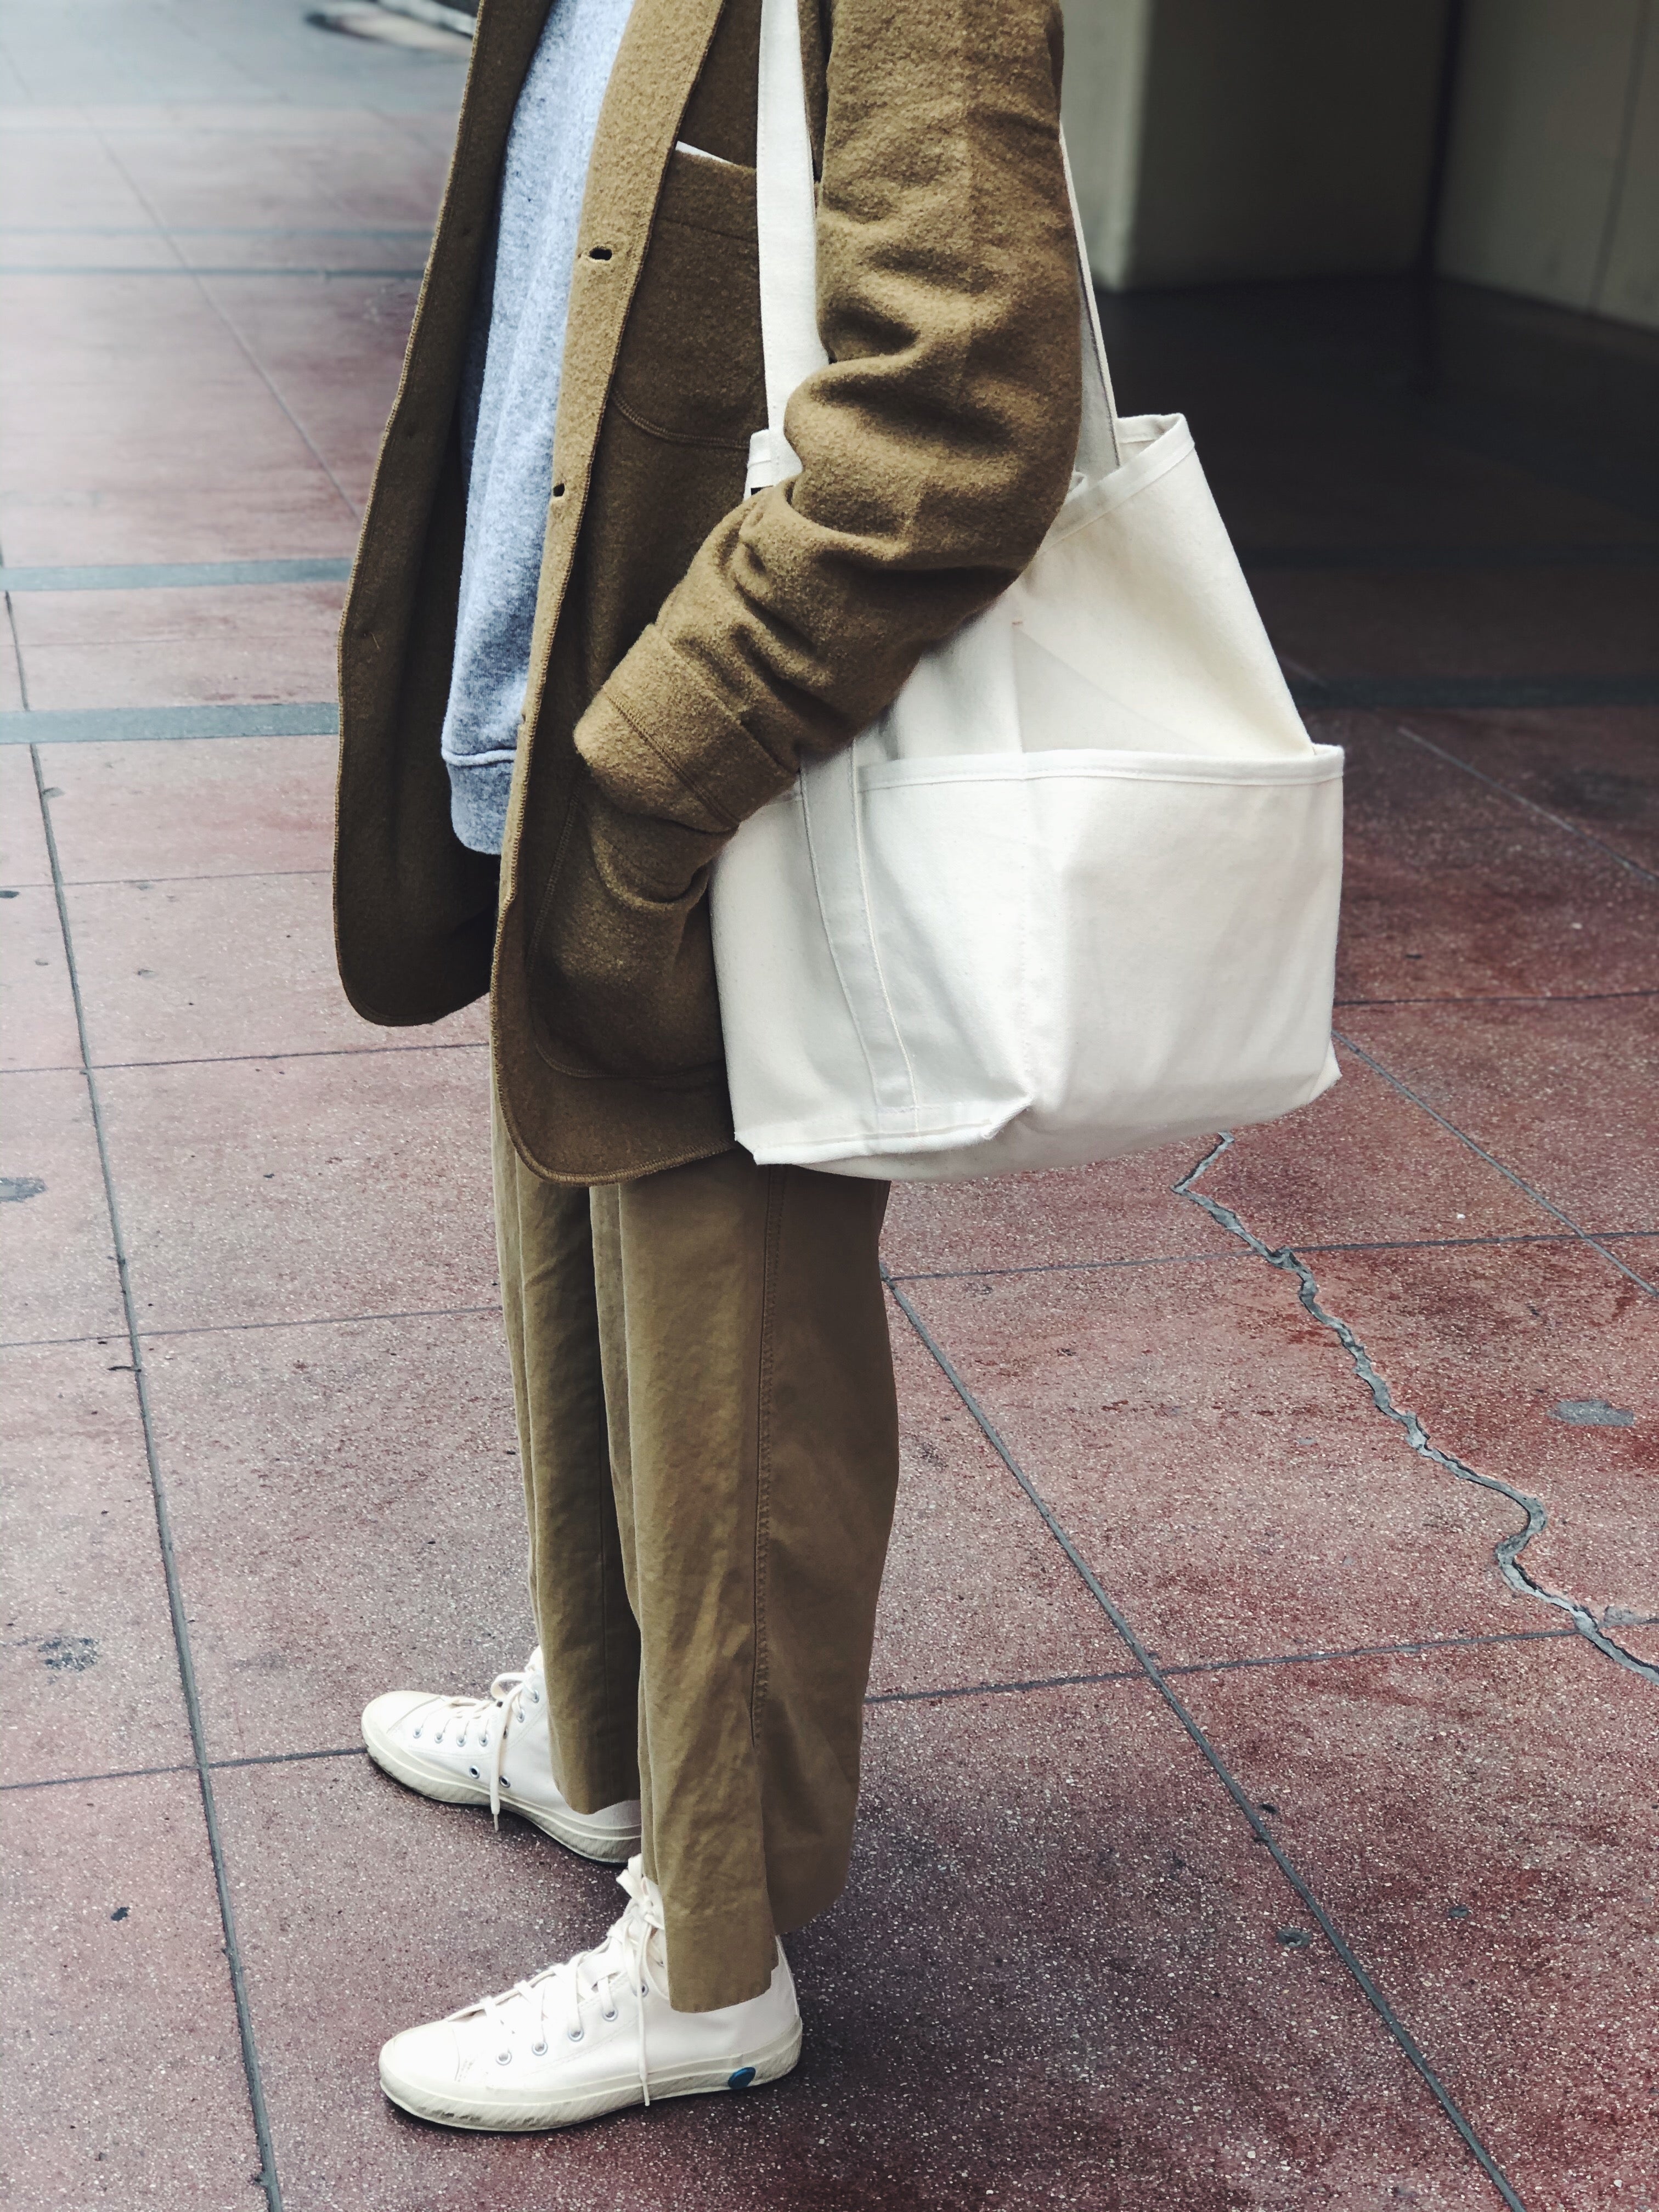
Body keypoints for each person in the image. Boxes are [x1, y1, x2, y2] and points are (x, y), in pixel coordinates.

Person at [332, 0, 1081, 2134]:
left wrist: (661, 773)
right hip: (566, 725)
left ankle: (716, 1957)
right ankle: (599, 1741)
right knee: (579, 1241)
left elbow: (960, 395)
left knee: (733, 1345)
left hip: (716, 782)